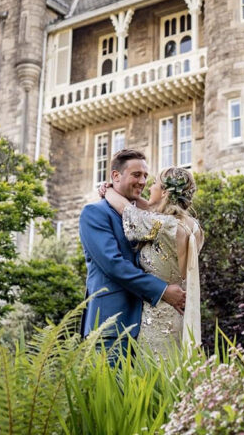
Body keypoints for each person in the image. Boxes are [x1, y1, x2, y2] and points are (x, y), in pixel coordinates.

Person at [78, 149, 186, 352]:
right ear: (116, 176)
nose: (143, 181)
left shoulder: (144, 216)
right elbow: (114, 265)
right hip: (111, 324)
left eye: (146, 176)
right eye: (136, 175)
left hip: (150, 325)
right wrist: (162, 290)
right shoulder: (94, 213)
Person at [101, 164, 204, 357]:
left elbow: (126, 210)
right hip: (180, 316)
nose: (149, 187)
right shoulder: (194, 228)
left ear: (164, 192)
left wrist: (108, 189)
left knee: (153, 379)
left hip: (156, 319)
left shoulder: (162, 225)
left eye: (154, 183)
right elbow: (148, 209)